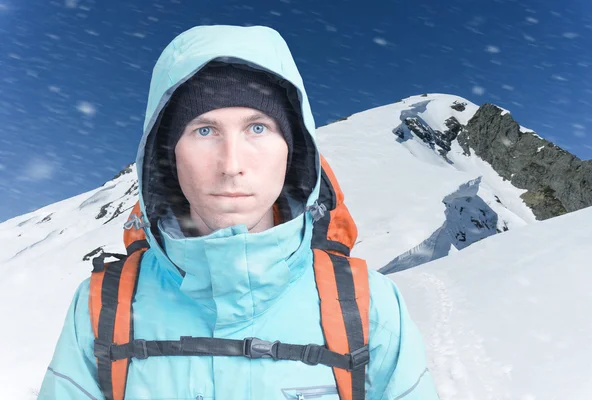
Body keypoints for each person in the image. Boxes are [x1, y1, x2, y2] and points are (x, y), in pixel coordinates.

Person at [37, 25, 439, 400]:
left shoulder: (370, 305)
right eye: (204, 130)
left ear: (292, 150)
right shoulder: (101, 306)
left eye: (258, 128)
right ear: (168, 153)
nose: (231, 164)